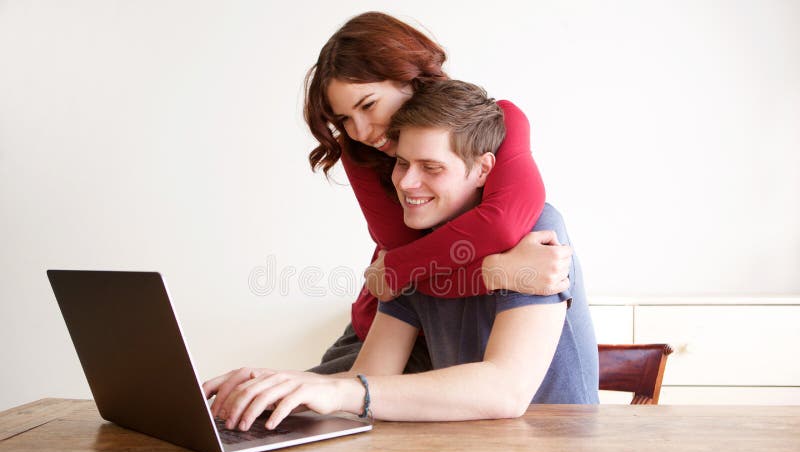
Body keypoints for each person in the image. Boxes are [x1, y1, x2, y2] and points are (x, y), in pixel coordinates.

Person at [203, 80, 599, 431]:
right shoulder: (413, 249)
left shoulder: (537, 233)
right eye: (403, 163)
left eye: (431, 167)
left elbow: (504, 390)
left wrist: (341, 392)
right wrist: (277, 384)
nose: (407, 183)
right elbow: (371, 375)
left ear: (482, 169)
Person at [304, 12, 573, 375]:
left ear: (409, 77)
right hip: (385, 327)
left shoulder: (495, 124)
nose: (361, 131)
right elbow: (409, 269)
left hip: (450, 326)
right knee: (270, 410)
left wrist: (397, 270)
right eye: (345, 120)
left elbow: (501, 226)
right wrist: (497, 273)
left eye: (368, 105)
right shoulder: (360, 155)